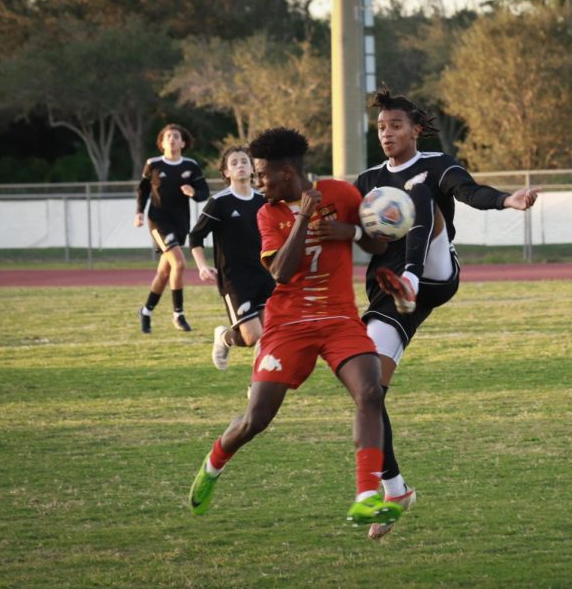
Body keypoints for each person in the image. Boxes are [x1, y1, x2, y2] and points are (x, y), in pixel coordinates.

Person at [188, 127, 402, 527]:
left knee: (370, 393)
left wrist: (352, 231)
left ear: (286, 172)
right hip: (287, 325)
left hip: (339, 318)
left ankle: (367, 495)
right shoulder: (267, 213)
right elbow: (282, 273)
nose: (257, 183)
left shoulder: (341, 193)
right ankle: (214, 463)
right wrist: (304, 215)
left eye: (262, 175)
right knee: (257, 419)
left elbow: (379, 245)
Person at [353, 85, 539, 539]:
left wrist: (505, 201)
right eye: (381, 127)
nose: (387, 133)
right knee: (367, 391)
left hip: (434, 275)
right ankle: (394, 489)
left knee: (419, 194)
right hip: (388, 292)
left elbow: (469, 191)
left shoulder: (436, 165)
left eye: (396, 125)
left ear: (416, 129)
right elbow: (351, 229)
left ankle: (411, 280)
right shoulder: (368, 180)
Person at [189, 146, 275, 370]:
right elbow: (195, 237)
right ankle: (224, 337)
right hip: (234, 280)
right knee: (252, 337)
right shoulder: (220, 202)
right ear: (226, 172)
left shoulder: (263, 200)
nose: (240, 165)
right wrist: (202, 266)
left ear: (252, 168)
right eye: (234, 163)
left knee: (270, 336)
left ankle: (256, 388)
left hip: (264, 275)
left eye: (244, 161)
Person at [134, 123, 210, 333]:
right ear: (161, 142)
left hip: (180, 223)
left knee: (165, 271)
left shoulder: (191, 166)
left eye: (176, 136)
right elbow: (143, 190)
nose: (172, 139)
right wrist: (139, 212)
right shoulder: (153, 164)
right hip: (158, 221)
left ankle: (146, 311)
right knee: (179, 263)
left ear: (183, 142)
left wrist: (192, 192)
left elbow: (204, 193)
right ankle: (178, 314)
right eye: (168, 136)